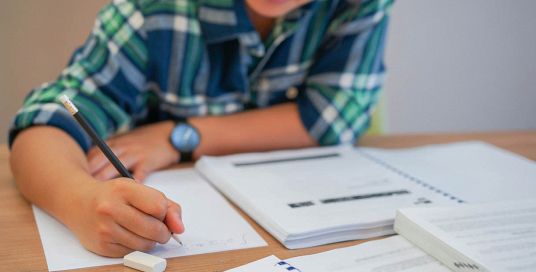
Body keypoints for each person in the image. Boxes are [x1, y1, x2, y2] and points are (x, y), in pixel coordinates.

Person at [9, 0, 393, 257]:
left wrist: (179, 136)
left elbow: (331, 117)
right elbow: (46, 121)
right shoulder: (150, 10)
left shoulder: (358, 6)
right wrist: (79, 200)